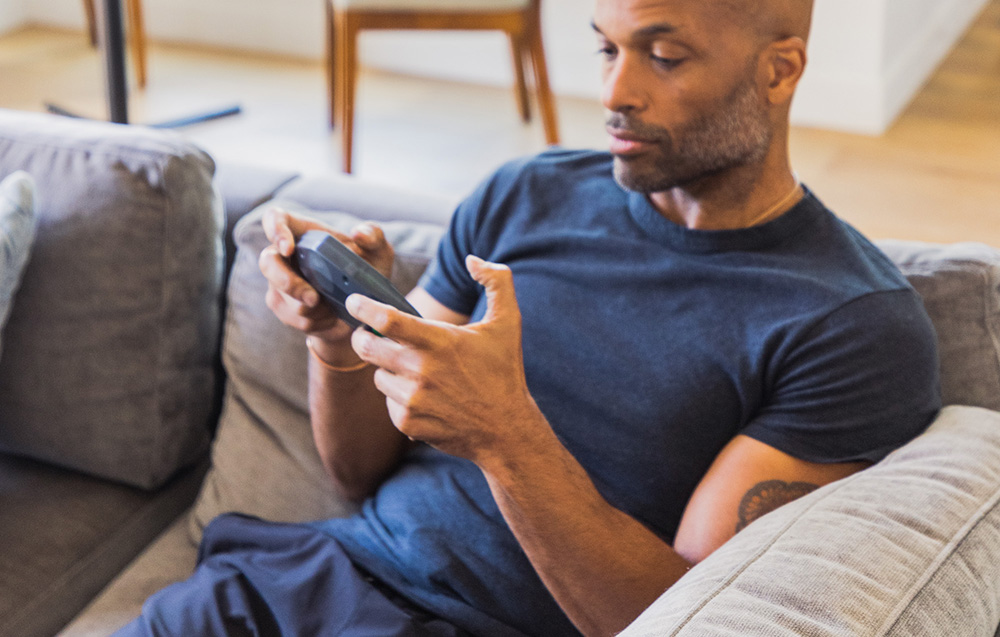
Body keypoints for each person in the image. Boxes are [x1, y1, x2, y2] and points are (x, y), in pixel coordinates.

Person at [118, 0, 941, 635]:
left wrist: (507, 435)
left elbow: (670, 618)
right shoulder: (526, 191)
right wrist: (339, 341)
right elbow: (359, 475)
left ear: (779, 69)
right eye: (606, 48)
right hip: (308, 577)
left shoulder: (849, 322)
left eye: (664, 55)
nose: (615, 93)